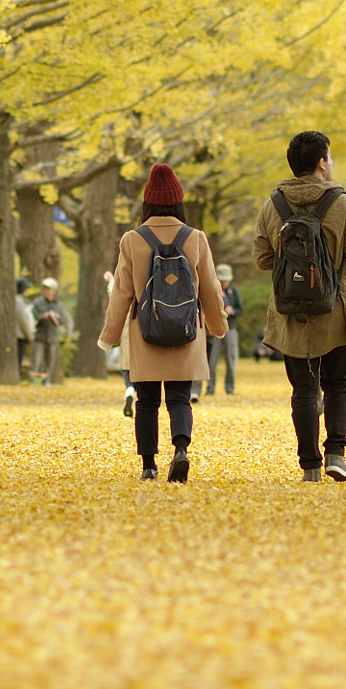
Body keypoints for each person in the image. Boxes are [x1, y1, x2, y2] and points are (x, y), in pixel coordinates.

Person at [253, 130, 346, 482]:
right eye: (330, 158)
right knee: (337, 384)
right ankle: (336, 452)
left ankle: (310, 467)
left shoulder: (272, 204)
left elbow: (261, 258)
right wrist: (337, 281)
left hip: (291, 313)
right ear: (322, 164)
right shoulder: (345, 203)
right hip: (336, 309)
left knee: (303, 388)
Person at [99, 164, 227, 482]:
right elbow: (211, 288)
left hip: (146, 332)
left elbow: (121, 293)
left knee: (146, 401)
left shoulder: (132, 240)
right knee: (180, 398)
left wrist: (109, 335)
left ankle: (148, 465)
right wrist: (218, 325)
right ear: (178, 201)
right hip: (186, 331)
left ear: (148, 202)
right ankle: (180, 449)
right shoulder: (196, 238)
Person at [204, 265, 242, 396]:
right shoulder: (213, 291)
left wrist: (233, 311)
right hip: (215, 330)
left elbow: (240, 310)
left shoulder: (234, 292)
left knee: (230, 360)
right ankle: (210, 387)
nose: (224, 283)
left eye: (226, 281)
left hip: (230, 329)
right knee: (212, 361)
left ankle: (230, 387)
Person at [32, 277, 68, 386]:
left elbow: (62, 320)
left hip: (52, 337)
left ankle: (46, 381)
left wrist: (56, 317)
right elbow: (35, 316)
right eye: (44, 289)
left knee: (49, 361)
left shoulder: (58, 305)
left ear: (54, 291)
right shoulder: (38, 303)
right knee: (36, 360)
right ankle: (33, 381)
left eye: (48, 289)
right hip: (40, 336)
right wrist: (44, 316)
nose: (46, 291)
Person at [14, 280, 36, 381]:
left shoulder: (22, 301)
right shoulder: (18, 301)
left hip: (21, 334)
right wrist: (29, 335)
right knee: (18, 358)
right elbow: (23, 319)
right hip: (19, 335)